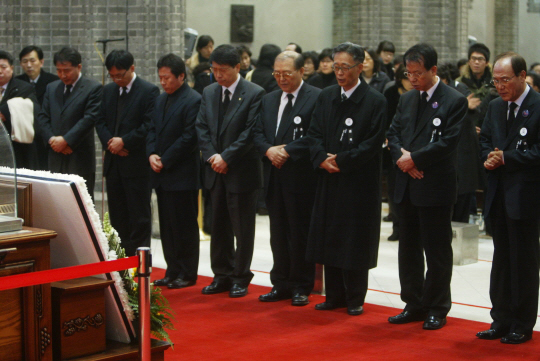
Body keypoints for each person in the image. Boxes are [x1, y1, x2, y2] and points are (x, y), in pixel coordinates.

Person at [386, 43, 467, 330]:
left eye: (418, 73)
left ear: (433, 70)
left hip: (434, 186)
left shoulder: (454, 100)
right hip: (406, 184)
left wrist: (415, 159)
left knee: (436, 250)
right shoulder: (407, 99)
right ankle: (413, 302)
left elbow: (448, 142)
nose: (413, 78)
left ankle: (436, 307)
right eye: (409, 73)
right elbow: (393, 132)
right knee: (408, 248)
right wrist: (402, 159)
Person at [306, 42, 387, 316]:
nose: (340, 73)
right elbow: (314, 131)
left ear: (360, 66)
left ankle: (355, 298)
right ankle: (334, 295)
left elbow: (372, 144)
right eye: (336, 67)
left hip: (358, 182)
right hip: (329, 179)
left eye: (345, 67)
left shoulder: (375, 100)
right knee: (330, 235)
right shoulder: (327, 95)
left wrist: (340, 161)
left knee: (354, 238)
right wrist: (321, 158)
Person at [477, 52, 540, 344]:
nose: (500, 86)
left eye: (505, 80)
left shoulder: (538, 106)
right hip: (498, 196)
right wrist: (488, 158)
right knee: (501, 261)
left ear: (522, 75)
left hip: (525, 198)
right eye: (496, 81)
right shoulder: (494, 107)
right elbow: (485, 140)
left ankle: (522, 323)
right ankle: (500, 319)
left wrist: (508, 158)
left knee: (523, 262)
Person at [196, 44, 265, 298]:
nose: (218, 75)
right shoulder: (209, 91)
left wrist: (227, 157)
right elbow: (201, 126)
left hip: (241, 171)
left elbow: (250, 133)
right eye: (214, 70)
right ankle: (221, 274)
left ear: (238, 67)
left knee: (242, 228)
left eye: (223, 70)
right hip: (215, 169)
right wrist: (213, 156)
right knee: (218, 225)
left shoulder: (255, 93)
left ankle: (240, 277)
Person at [253, 51, 321, 306]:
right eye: (277, 74)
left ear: (302, 71)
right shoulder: (269, 98)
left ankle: (302, 285)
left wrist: (288, 151)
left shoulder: (316, 97)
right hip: (273, 174)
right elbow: (257, 132)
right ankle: (280, 282)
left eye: (287, 74)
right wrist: (269, 150)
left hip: (301, 177)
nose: (281, 79)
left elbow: (316, 134)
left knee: (299, 231)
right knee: (278, 232)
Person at [95, 50, 159, 258]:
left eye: (120, 75)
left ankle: (140, 262)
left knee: (139, 216)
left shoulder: (149, 91)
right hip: (114, 163)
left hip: (136, 163)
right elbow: (100, 121)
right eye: (112, 76)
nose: (117, 80)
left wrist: (124, 141)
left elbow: (149, 125)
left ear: (132, 68)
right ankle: (120, 260)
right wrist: (110, 143)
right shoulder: (108, 91)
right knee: (118, 216)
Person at [146, 53, 201, 289]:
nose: (163, 82)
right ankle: (172, 269)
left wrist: (165, 159)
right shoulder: (160, 100)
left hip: (182, 174)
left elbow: (189, 137)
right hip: (161, 173)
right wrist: (151, 154)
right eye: (161, 78)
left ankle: (187, 273)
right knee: (167, 226)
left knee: (184, 226)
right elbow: (151, 129)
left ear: (181, 76)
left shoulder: (193, 100)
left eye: (167, 78)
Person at [38, 47, 102, 199]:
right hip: (55, 156)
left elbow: (89, 119)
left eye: (67, 70)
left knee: (81, 203)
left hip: (79, 157)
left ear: (78, 67)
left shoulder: (92, 88)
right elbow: (42, 117)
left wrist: (66, 140)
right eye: (59, 70)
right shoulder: (52, 88)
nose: (62, 75)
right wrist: (53, 140)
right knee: (57, 203)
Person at [16, 45, 59, 170]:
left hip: (46, 137)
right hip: (24, 138)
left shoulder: (53, 82)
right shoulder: (16, 83)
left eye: (32, 60)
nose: (29, 65)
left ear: (41, 62)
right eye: (25, 61)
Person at [383, 64, 414, 241]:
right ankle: (396, 227)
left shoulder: (418, 95)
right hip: (392, 149)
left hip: (411, 149)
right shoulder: (391, 93)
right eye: (406, 77)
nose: (410, 81)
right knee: (394, 190)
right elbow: (387, 121)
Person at [0, 50, 39, 169]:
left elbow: (33, 111)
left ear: (11, 68)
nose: (0, 71)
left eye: (3, 67)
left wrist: (5, 111)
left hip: (17, 148)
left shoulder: (24, 88)